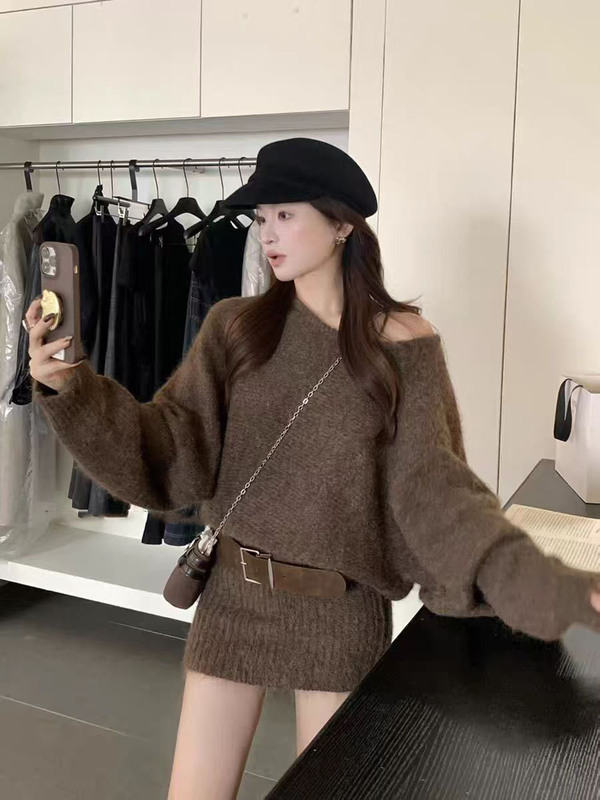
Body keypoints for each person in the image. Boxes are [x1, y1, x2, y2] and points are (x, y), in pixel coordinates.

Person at [25, 137, 600, 800]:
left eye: (285, 215)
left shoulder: (404, 344)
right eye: (261, 217)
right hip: (234, 597)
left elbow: (433, 490)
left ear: (342, 224)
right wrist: (72, 388)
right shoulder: (236, 327)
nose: (267, 234)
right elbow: (172, 447)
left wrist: (534, 579)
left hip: (339, 610)